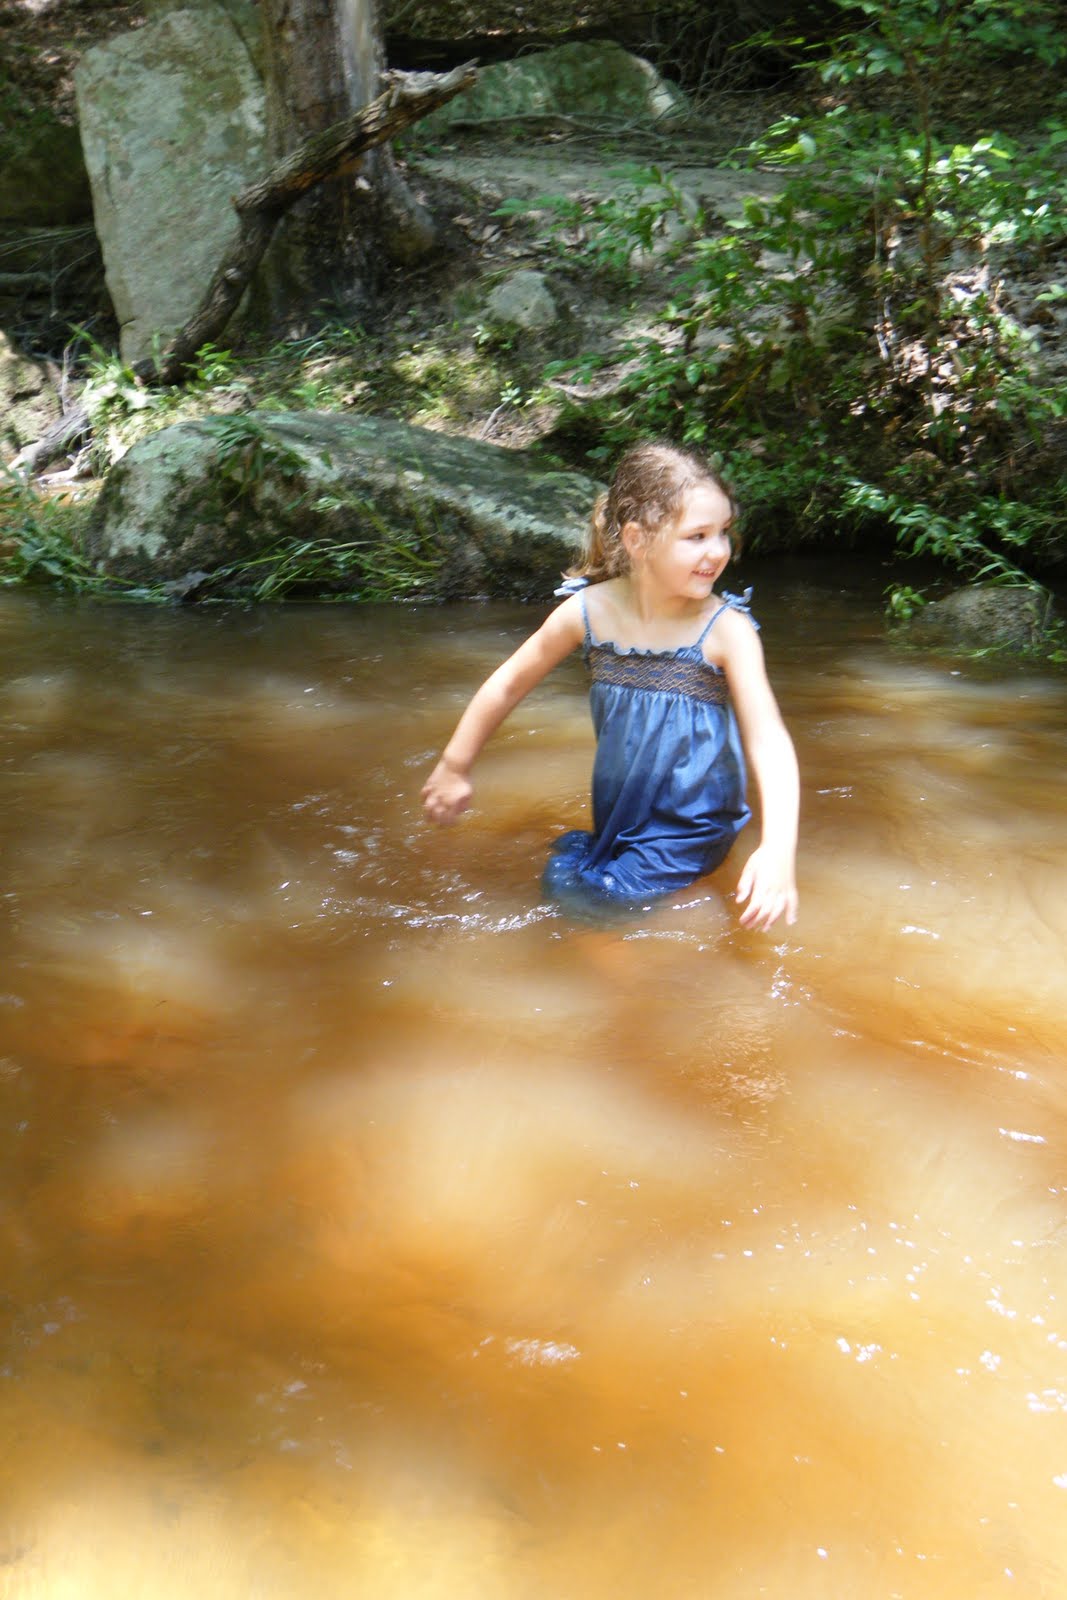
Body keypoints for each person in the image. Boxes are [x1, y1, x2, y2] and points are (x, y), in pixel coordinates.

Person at [421, 442, 799, 931]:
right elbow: (509, 683)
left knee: (588, 909)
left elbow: (768, 740)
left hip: (694, 819)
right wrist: (454, 766)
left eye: (722, 533)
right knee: (587, 882)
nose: (717, 552)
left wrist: (778, 848)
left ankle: (678, 964)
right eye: (697, 536)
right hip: (623, 808)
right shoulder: (588, 613)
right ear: (638, 540)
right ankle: (683, 927)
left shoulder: (727, 631)